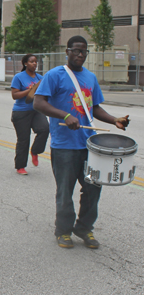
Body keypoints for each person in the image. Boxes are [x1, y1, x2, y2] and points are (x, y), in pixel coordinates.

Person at [34, 35, 130, 249]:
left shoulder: (90, 78)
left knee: (93, 188)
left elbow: (94, 108)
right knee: (65, 190)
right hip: (64, 146)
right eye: (76, 50)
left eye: (84, 51)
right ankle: (63, 231)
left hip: (88, 146)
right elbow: (38, 103)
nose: (80, 54)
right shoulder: (55, 75)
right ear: (67, 51)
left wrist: (114, 120)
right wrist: (65, 116)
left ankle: (84, 228)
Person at [10, 54, 49, 175]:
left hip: (36, 110)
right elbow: (14, 95)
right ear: (25, 63)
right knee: (23, 140)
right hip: (21, 112)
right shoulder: (19, 77)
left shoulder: (40, 78)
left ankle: (35, 151)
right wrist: (30, 90)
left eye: (36, 62)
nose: (34, 64)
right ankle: (20, 166)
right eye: (32, 62)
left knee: (45, 129)